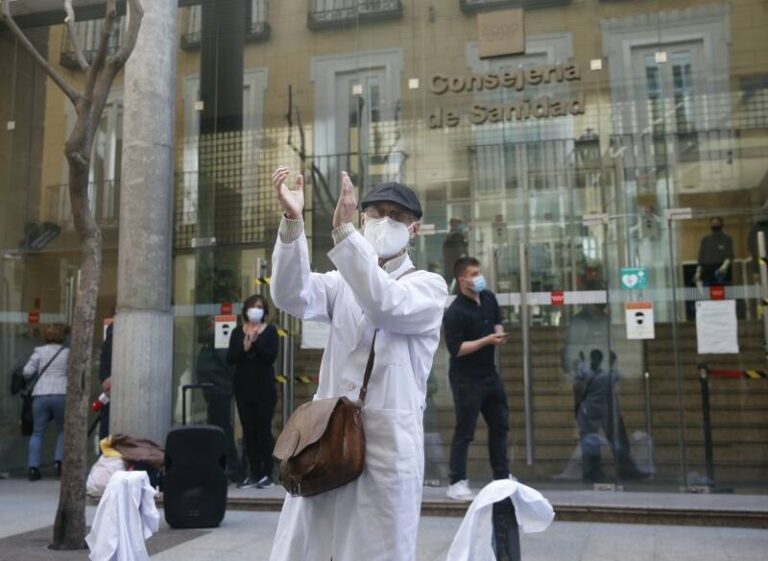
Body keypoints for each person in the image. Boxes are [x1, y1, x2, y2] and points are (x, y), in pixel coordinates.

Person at [267, 166, 447, 561]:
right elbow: (290, 294)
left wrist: (344, 236)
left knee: (373, 550)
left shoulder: (429, 287)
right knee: (307, 547)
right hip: (326, 439)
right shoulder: (341, 282)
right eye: (376, 213)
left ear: (414, 230)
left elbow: (385, 304)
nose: (384, 222)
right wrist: (293, 222)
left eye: (396, 216)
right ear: (362, 218)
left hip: (385, 446)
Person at [443, 256, 512, 501]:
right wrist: (487, 341)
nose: (478, 277)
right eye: (473, 274)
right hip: (466, 379)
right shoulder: (455, 312)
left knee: (500, 425)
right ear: (462, 280)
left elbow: (497, 323)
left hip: (489, 374)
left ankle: (502, 476)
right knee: (465, 430)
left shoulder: (489, 298)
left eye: (478, 272)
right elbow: (457, 349)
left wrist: (499, 334)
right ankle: (457, 481)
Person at [227, 294, 279, 489]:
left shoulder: (270, 331)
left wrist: (256, 343)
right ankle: (253, 472)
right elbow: (231, 358)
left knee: (263, 430)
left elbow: (270, 356)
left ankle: (268, 473)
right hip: (243, 389)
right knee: (248, 432)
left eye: (259, 306)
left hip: (264, 390)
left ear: (264, 311)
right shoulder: (237, 333)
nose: (255, 309)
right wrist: (245, 346)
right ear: (246, 309)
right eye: (252, 306)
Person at [573, 349, 645, 482]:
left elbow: (578, 380)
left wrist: (582, 361)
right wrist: (613, 362)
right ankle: (625, 470)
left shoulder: (584, 372)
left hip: (587, 412)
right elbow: (620, 376)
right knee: (618, 441)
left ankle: (591, 473)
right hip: (606, 412)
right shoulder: (608, 375)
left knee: (590, 443)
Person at [196, 316, 244, 484]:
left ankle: (231, 467)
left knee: (222, 428)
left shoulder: (219, 340)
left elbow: (227, 362)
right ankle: (226, 465)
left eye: (209, 323)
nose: (207, 326)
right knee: (219, 426)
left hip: (219, 389)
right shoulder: (210, 341)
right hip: (213, 389)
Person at [22, 323, 69, 481]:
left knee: (37, 432)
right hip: (61, 393)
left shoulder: (39, 351)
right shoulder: (67, 353)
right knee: (62, 430)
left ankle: (33, 468)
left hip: (40, 395)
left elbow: (27, 372)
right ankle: (58, 463)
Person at [694, 216, 734, 287]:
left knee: (720, 294)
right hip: (706, 271)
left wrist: (724, 266)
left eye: (717, 223)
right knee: (707, 295)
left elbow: (730, 255)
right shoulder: (705, 239)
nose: (715, 224)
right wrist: (698, 272)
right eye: (713, 223)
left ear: (721, 224)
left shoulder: (727, 239)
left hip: (720, 271)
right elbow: (701, 257)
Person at [443, 217, 469, 283]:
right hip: (456, 267)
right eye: (459, 223)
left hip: (452, 267)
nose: (461, 225)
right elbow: (461, 252)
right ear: (454, 224)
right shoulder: (456, 236)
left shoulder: (450, 236)